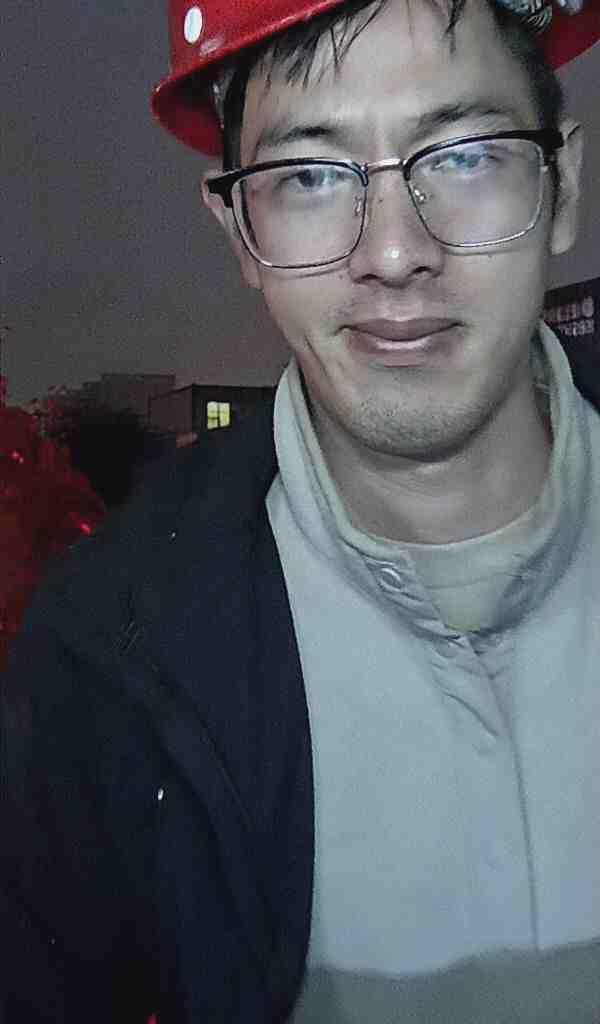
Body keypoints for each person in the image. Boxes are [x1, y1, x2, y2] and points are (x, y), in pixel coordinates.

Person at [2, 0, 600, 1020]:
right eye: (311, 177)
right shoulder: (101, 662)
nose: (395, 252)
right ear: (240, 231)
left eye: (462, 155)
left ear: (564, 184)